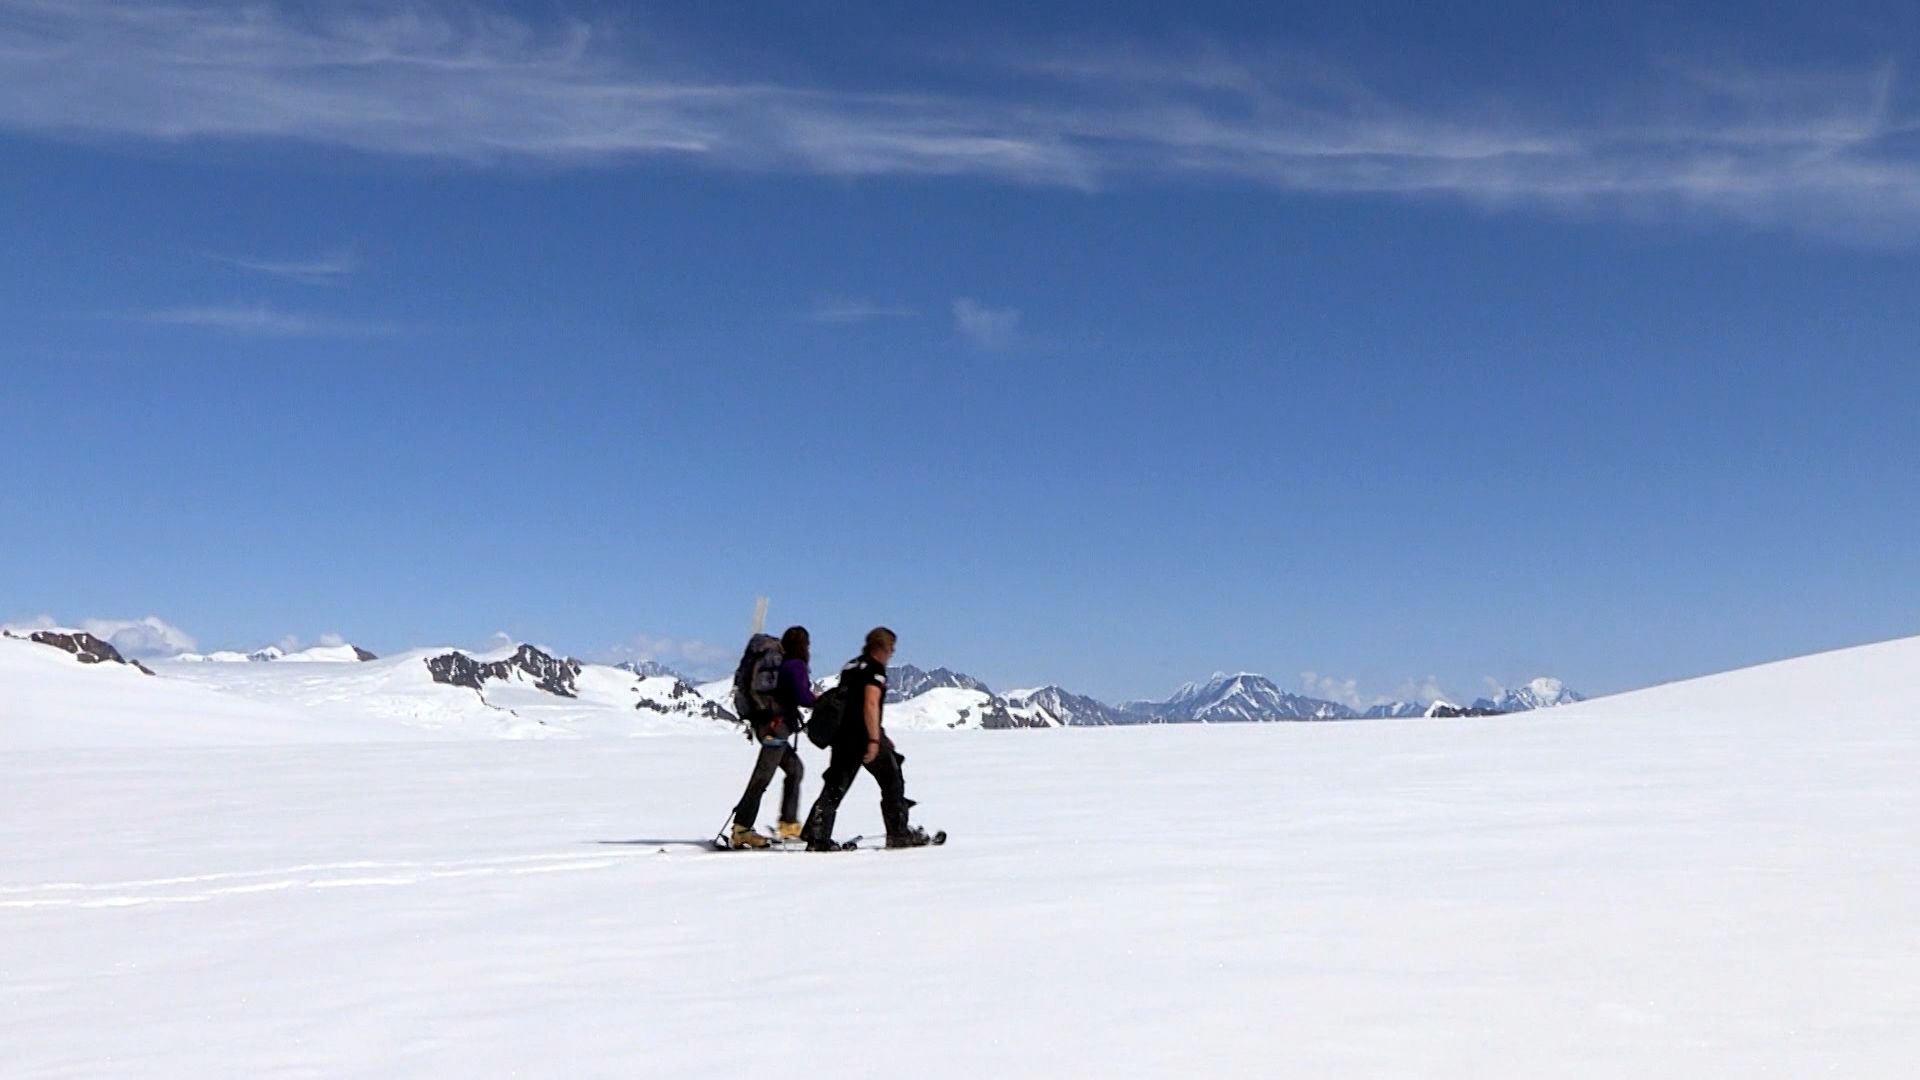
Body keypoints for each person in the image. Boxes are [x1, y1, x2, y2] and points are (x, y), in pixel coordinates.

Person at [801, 626, 932, 850]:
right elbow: (870, 703)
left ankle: (816, 835)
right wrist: (873, 739)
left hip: (842, 736)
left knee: (835, 785)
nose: (891, 653)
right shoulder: (875, 669)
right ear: (880, 647)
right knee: (892, 779)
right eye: (890, 649)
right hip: (861, 736)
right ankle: (897, 833)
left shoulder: (851, 666)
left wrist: (881, 736)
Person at [727, 625, 814, 849]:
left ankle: (788, 824)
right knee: (762, 778)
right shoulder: (793, 665)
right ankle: (742, 829)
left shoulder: (778, 663)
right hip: (776, 725)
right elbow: (803, 696)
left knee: (795, 770)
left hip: (765, 724)